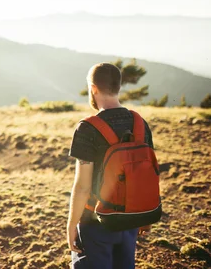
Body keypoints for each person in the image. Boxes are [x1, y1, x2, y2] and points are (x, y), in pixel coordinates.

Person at [67, 62, 154, 269]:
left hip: (95, 224)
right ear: (118, 87)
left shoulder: (87, 128)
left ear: (93, 89)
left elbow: (83, 187)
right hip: (130, 220)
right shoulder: (140, 123)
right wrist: (145, 215)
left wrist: (71, 225)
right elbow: (147, 174)